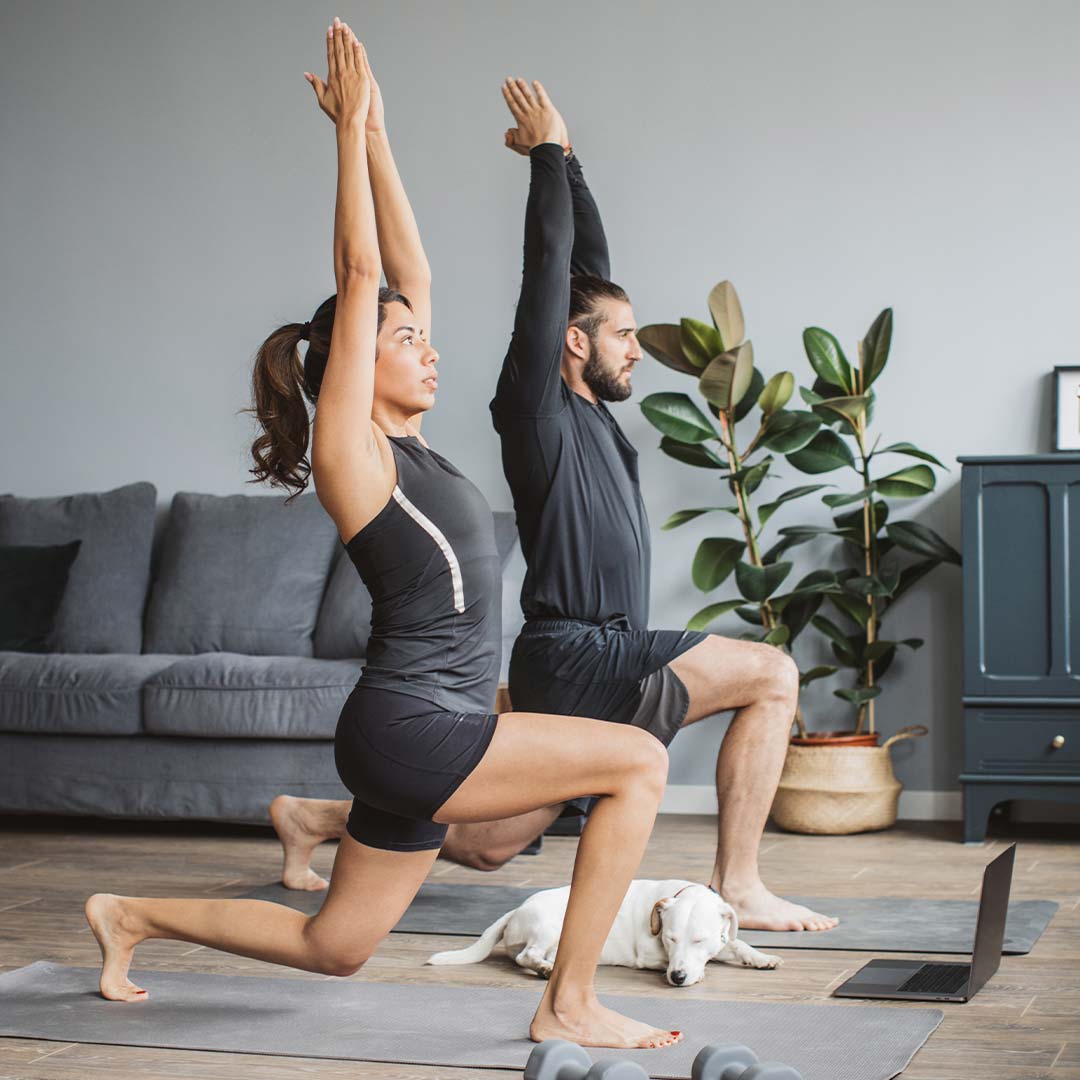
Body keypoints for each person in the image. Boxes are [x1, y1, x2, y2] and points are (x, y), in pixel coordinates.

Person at [84, 21, 681, 1051]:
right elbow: (365, 277)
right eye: (405, 342)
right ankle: (568, 1003)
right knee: (636, 762)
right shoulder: (349, 454)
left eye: (421, 335)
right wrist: (346, 133)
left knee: (336, 946)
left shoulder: (417, 447)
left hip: (419, 727)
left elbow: (406, 272)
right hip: (419, 727)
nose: (428, 348)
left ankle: (127, 916)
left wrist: (381, 136)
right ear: (356, 364)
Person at [270, 75, 837, 935]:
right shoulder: (535, 407)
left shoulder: (599, 417)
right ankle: (741, 884)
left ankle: (320, 819)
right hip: (576, 652)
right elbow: (550, 272)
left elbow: (585, 268)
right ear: (571, 343)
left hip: (604, 656)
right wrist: (541, 158)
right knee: (771, 673)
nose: (635, 351)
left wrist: (567, 160)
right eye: (619, 336)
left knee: (489, 844)